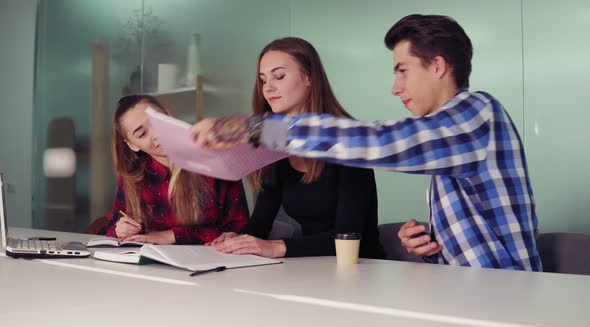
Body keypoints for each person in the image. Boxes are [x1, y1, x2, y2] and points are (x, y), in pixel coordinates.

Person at [190, 15, 541, 271]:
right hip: (470, 293)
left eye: (402, 70)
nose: (396, 86)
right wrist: (429, 244)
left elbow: (382, 141)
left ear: (437, 66)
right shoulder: (453, 132)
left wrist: (251, 128)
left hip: (504, 298)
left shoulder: (476, 113)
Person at [207, 37, 384, 259]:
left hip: (362, 269)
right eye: (263, 80)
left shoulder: (345, 139)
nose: (268, 88)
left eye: (279, 76)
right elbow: (260, 224)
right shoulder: (276, 142)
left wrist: (276, 247)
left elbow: (348, 237)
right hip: (309, 268)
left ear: (309, 77)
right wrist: (237, 240)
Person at [105, 94, 249, 244]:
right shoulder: (133, 176)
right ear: (132, 145)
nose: (156, 135)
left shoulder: (214, 162)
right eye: (142, 134)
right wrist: (119, 228)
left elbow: (241, 228)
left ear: (168, 115)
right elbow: (112, 222)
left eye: (156, 122)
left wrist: (171, 236)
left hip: (213, 262)